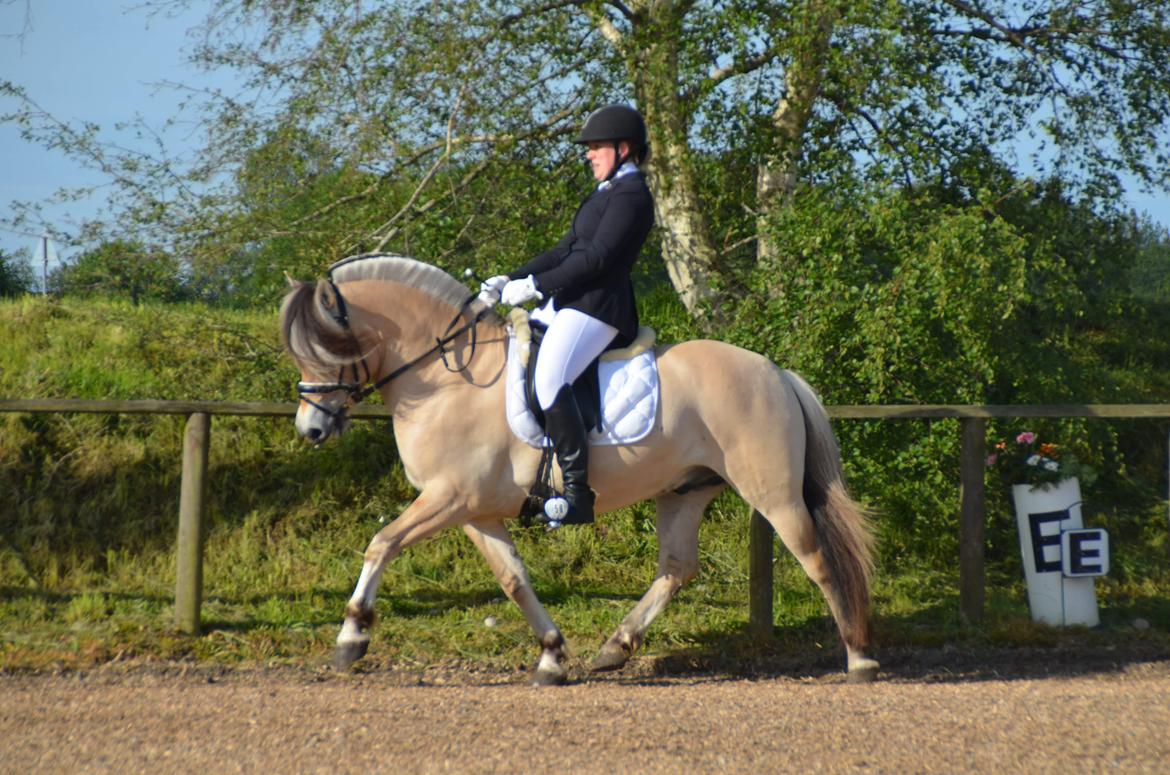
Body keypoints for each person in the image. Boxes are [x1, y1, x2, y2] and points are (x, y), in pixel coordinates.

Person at [481, 104, 655, 526]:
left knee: (550, 379)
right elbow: (564, 251)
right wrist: (511, 278)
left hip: (598, 307)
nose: (589, 154)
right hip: (571, 303)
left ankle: (577, 495)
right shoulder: (606, 193)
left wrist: (539, 287)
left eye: (596, 147)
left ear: (624, 148)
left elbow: (596, 259)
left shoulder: (632, 196)